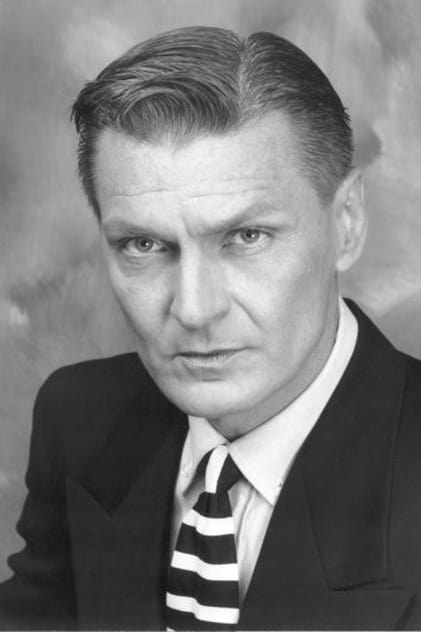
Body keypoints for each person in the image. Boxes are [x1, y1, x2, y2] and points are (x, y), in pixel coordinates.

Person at [1, 25, 421, 631]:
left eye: (246, 237)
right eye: (143, 244)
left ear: (347, 224)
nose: (194, 310)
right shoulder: (80, 419)